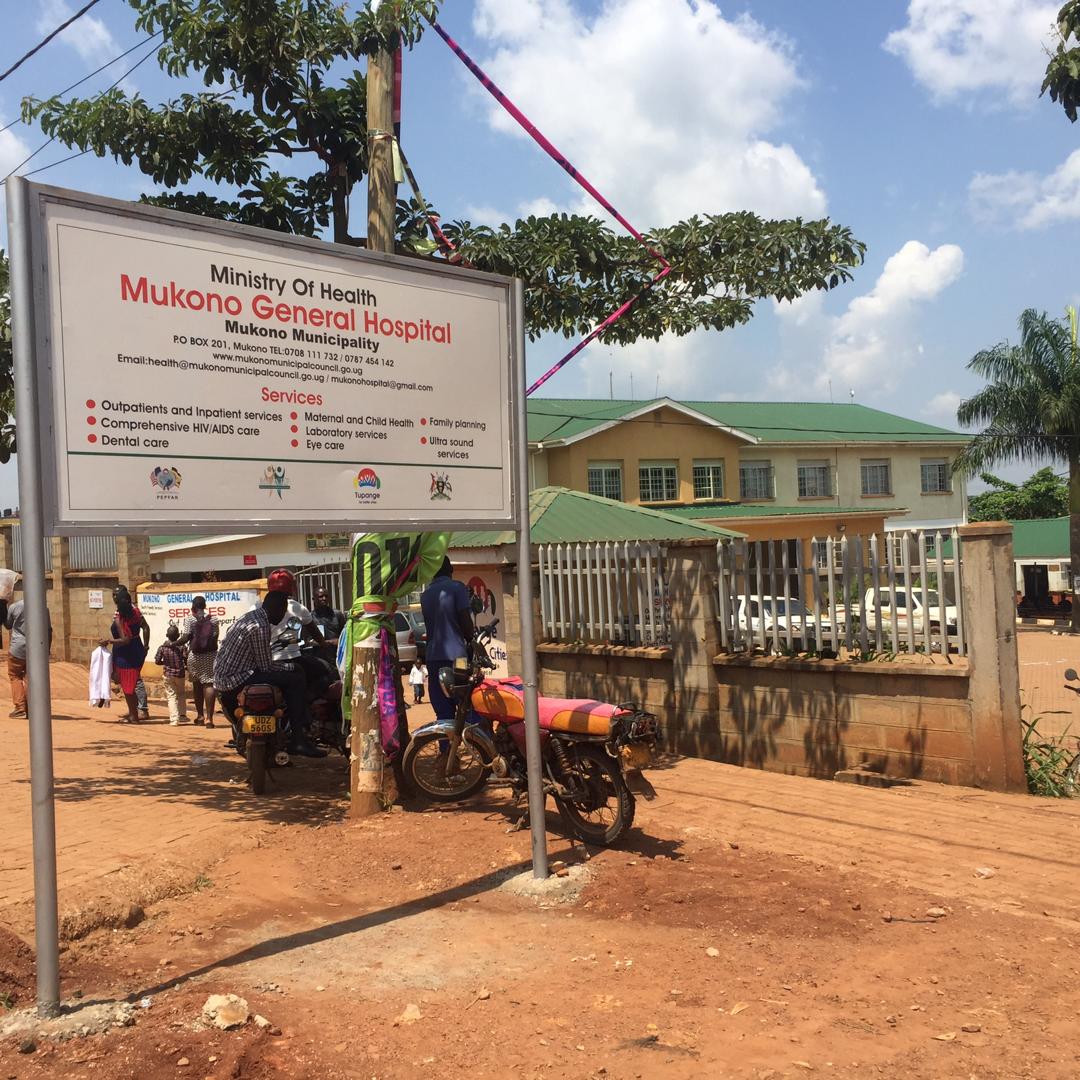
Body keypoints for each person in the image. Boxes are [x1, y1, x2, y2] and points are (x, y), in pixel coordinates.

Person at [214, 589, 324, 758]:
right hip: (237, 678)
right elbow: (266, 666)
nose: (282, 617)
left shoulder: (249, 617)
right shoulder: (261, 626)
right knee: (296, 676)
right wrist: (291, 668)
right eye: (282, 611)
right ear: (277, 609)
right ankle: (298, 739)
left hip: (225, 678)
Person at [420, 557, 474, 721]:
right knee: (466, 703)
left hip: (432, 657)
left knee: (442, 709)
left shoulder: (425, 595)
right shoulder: (457, 588)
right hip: (458, 657)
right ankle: (475, 743)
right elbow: (465, 620)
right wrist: (470, 636)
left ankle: (446, 746)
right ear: (450, 570)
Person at [100, 586, 150, 724]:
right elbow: (145, 627)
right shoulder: (135, 612)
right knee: (130, 682)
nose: (114, 597)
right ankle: (134, 711)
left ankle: (136, 715)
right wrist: (145, 646)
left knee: (129, 684)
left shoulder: (119, 617)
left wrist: (108, 641)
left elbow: (125, 639)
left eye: (116, 595)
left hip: (125, 654)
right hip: (137, 650)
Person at [5, 598, 52, 719]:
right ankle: (32, 708)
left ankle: (20, 708)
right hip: (36, 649)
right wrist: (47, 650)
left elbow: (8, 625)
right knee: (30, 677)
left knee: (14, 676)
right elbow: (48, 630)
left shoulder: (15, 607)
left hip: (17, 648)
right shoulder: (44, 608)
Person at [177, 595, 219, 727]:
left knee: (197, 685)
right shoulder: (214, 619)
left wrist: (174, 643)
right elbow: (215, 638)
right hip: (210, 656)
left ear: (193, 607)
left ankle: (200, 716)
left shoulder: (190, 619)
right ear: (205, 606)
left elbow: (186, 637)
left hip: (194, 657)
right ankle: (209, 719)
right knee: (209, 684)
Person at [155, 624, 188, 726]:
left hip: (168, 674)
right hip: (180, 674)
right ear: (178, 635)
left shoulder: (162, 647)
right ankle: (182, 716)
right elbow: (186, 659)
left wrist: (165, 663)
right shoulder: (182, 647)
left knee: (171, 696)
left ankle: (174, 719)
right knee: (181, 694)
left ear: (166, 635)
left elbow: (157, 661)